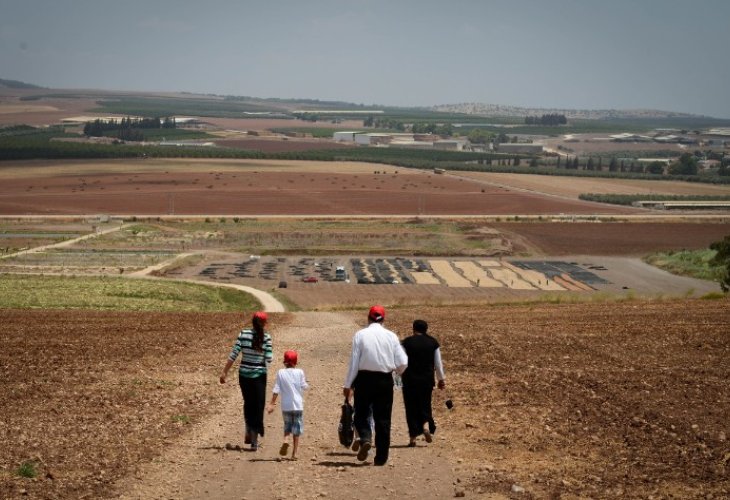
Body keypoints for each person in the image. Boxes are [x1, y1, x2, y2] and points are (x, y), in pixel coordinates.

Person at [343, 305, 408, 466]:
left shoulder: (360, 335)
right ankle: (381, 457)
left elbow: (354, 362)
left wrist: (348, 384)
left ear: (368, 318)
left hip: (364, 380)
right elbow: (403, 362)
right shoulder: (391, 336)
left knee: (361, 414)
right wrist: (397, 373)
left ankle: (365, 437)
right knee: (383, 419)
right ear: (383, 319)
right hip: (384, 380)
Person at [220, 311, 273, 451]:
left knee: (248, 403)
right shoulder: (266, 337)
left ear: (252, 321)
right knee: (258, 406)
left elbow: (234, 354)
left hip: (244, 376)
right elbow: (269, 358)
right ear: (264, 323)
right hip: (259, 376)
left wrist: (225, 372)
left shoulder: (243, 334)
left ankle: (248, 429)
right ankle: (254, 439)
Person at [401, 319, 446, 447]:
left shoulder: (406, 342)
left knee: (411, 407)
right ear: (426, 329)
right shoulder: (433, 342)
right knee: (425, 404)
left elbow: (402, 362)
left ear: (413, 329)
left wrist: (398, 377)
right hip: (426, 380)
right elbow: (438, 363)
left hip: (409, 380)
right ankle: (426, 425)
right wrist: (441, 379)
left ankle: (413, 438)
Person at [267, 350, 309, 460]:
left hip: (286, 406)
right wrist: (306, 385)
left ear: (284, 361)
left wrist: (272, 403)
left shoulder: (280, 372)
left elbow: (276, 389)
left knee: (287, 425)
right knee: (296, 429)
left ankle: (286, 440)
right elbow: (304, 386)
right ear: (296, 361)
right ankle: (294, 454)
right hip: (298, 406)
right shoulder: (300, 372)